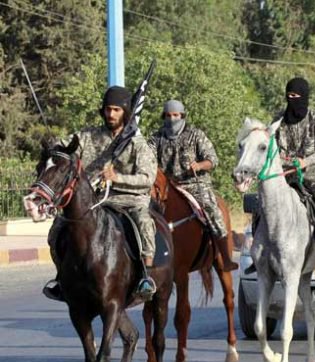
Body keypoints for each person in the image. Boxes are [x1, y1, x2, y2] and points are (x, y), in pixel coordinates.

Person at [43, 86, 157, 301]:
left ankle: (145, 275)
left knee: (144, 223)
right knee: (57, 229)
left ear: (125, 111)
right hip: (93, 200)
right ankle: (61, 277)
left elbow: (147, 178)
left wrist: (118, 178)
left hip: (128, 199)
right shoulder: (87, 136)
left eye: (116, 110)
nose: (111, 114)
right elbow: (65, 147)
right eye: (107, 109)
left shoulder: (136, 143)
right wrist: (54, 145)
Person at [150, 99, 238, 271]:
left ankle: (225, 257)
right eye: (168, 116)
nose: (172, 119)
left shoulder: (195, 135)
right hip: (168, 186)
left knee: (212, 209)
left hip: (195, 183)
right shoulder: (157, 138)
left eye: (176, 115)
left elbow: (213, 159)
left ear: (182, 116)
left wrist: (199, 165)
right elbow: (147, 158)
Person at [276, 77, 315, 259]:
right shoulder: (279, 121)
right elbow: (272, 148)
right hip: (286, 175)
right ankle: (259, 249)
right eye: (288, 95)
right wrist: (283, 161)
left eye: (295, 96)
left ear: (304, 96)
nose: (291, 99)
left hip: (314, 175)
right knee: (264, 203)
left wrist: (306, 162)